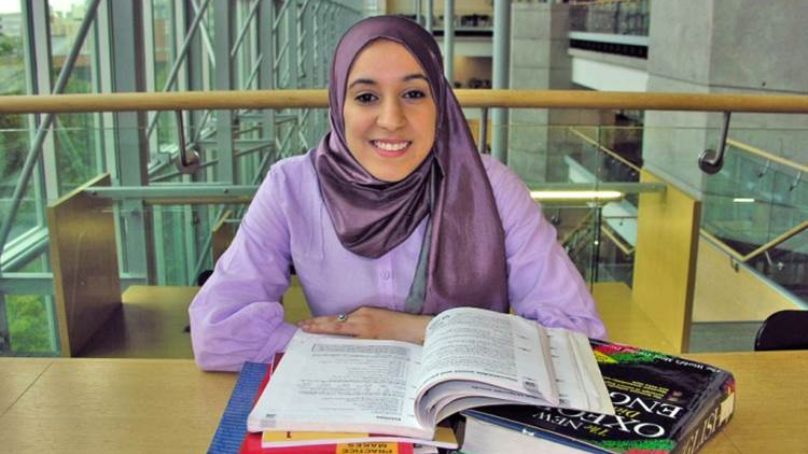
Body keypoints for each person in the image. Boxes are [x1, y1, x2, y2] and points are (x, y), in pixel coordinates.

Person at [189, 16, 606, 372]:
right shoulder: (291, 187)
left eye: (413, 94)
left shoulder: (492, 188)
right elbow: (217, 332)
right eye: (366, 96)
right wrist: (352, 348)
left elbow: (578, 336)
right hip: (343, 401)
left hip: (468, 410)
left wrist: (411, 331)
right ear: (339, 105)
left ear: (440, 102)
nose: (391, 119)